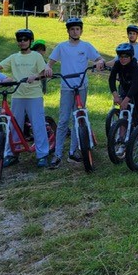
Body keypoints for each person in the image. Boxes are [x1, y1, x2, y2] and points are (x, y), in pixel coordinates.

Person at [0, 29, 50, 168]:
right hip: (17, 95)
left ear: (30, 41)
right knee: (15, 125)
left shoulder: (36, 56)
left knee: (38, 125)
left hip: (34, 95)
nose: (22, 42)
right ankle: (12, 154)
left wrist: (35, 76)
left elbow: (44, 73)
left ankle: (42, 155)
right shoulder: (14, 57)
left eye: (25, 39)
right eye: (20, 40)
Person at [46, 17, 105, 169]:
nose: (75, 31)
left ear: (81, 31)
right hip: (67, 86)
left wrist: (99, 61)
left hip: (81, 86)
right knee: (63, 120)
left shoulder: (86, 46)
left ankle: (73, 152)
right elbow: (50, 62)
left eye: (77, 29)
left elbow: (99, 58)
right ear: (68, 31)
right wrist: (48, 68)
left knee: (78, 118)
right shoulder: (62, 46)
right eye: (72, 29)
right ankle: (58, 154)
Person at [108, 43, 138, 144]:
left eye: (126, 57)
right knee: (124, 110)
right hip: (125, 88)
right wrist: (115, 96)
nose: (123, 59)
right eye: (120, 57)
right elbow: (111, 79)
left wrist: (126, 100)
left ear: (131, 57)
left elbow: (135, 85)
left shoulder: (134, 65)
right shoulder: (117, 64)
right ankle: (121, 137)